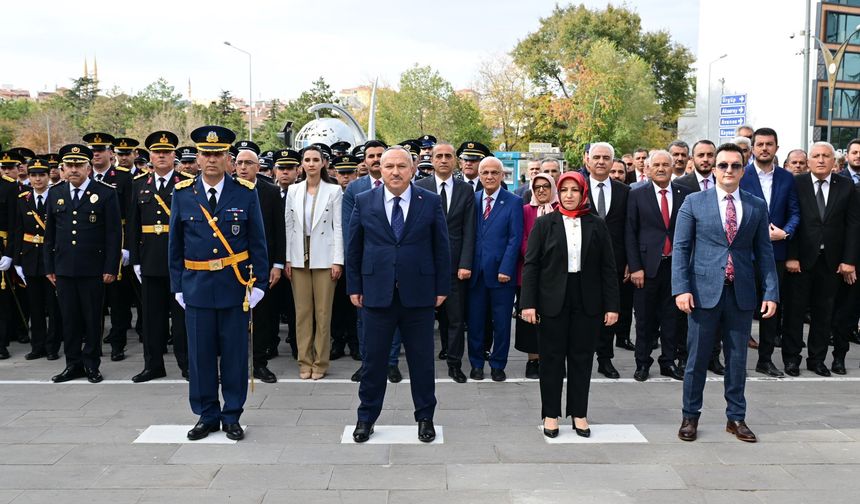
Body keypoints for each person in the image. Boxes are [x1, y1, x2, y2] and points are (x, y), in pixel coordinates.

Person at [168, 125, 268, 441]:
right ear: (197, 157)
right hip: (196, 286)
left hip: (234, 286)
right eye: (206, 154)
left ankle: (232, 414)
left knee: (235, 355)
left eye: (218, 154)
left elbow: (258, 242)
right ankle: (207, 414)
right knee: (200, 356)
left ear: (228, 157)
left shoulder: (244, 192)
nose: (211, 160)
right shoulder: (184, 193)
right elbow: (175, 244)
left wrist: (260, 284)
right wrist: (178, 286)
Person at [673, 142, 778, 443]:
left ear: (743, 170)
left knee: (737, 360)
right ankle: (689, 417)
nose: (728, 170)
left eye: (735, 165)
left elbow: (765, 252)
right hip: (703, 292)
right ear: (713, 169)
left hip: (741, 293)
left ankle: (736, 418)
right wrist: (681, 289)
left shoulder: (756, 205)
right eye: (723, 165)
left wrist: (771, 292)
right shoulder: (694, 202)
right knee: (696, 359)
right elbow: (681, 249)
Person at [346, 146, 450, 443]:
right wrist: (354, 286)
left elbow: (441, 247)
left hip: (419, 295)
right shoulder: (365, 201)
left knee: (421, 361)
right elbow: (354, 247)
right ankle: (366, 418)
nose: (394, 171)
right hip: (376, 294)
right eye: (388, 165)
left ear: (413, 169)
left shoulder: (429, 202)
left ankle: (425, 418)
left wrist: (442, 287)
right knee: (373, 361)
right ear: (379, 169)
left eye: (401, 166)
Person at [521, 171, 619, 438]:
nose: (569, 195)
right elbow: (532, 265)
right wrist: (528, 304)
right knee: (551, 360)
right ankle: (550, 414)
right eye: (564, 190)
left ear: (583, 192)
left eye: (575, 190)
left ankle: (579, 413)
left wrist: (612, 306)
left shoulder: (596, 224)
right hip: (551, 300)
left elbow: (608, 268)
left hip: (587, 300)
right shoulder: (544, 224)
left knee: (582, 359)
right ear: (558, 193)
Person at [45, 144, 122, 383]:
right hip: (64, 268)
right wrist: (49, 267)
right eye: (69, 166)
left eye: (79, 165)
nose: (74, 170)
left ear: (88, 168)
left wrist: (111, 267)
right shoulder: (56, 193)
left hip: (93, 268)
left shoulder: (106, 192)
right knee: (69, 319)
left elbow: (113, 234)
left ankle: (91, 364)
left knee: (91, 319)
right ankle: (72, 364)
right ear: (63, 168)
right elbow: (50, 235)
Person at [783, 141, 860, 377]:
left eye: (826, 156)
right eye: (815, 155)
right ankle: (792, 359)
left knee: (823, 313)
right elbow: (791, 218)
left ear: (834, 161)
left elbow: (853, 225)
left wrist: (849, 260)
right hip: (800, 261)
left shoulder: (846, 186)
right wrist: (792, 256)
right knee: (794, 313)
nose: (820, 160)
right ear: (808, 161)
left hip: (831, 261)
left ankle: (817, 359)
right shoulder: (796, 183)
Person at [127, 131, 194, 383]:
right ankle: (152, 365)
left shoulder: (186, 182)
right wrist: (134, 259)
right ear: (150, 157)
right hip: (150, 259)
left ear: (174, 156)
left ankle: (186, 364)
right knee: (151, 317)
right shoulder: (138, 184)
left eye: (166, 152)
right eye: (157, 153)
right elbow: (132, 225)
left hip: (179, 260)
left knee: (181, 317)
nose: (161, 156)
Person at [739, 128, 800, 377]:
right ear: (753, 148)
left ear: (777, 147)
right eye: (760, 144)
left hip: (775, 253)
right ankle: (734, 360)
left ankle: (765, 359)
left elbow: (795, 212)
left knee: (770, 308)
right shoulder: (741, 174)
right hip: (744, 253)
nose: (764, 148)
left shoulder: (787, 178)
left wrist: (784, 233)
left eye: (769, 144)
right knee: (740, 307)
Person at [626, 150, 690, 381]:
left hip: (675, 266)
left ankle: (668, 362)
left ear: (673, 168)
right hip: (646, 267)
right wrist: (635, 267)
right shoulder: (636, 194)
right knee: (644, 319)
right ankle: (642, 363)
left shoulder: (685, 194)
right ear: (647, 169)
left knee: (672, 318)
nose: (661, 168)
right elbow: (630, 233)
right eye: (657, 165)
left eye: (666, 164)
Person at [415, 142, 476, 383]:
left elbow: (470, 229)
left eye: (447, 156)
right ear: (431, 158)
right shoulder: (419, 186)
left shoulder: (465, 190)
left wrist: (466, 263)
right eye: (438, 156)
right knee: (420, 318)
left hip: (454, 266)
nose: (442, 160)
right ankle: (421, 363)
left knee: (455, 318)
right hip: (424, 266)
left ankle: (454, 363)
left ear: (456, 161)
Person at [284, 145, 343, 380]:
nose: (311, 164)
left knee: (323, 312)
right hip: (299, 256)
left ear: (323, 164)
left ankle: (320, 362)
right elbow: (288, 226)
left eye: (315, 160)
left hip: (325, 257)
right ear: (302, 164)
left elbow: (338, 226)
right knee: (302, 313)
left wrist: (338, 260)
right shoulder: (293, 191)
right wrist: (287, 258)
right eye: (307, 159)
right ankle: (304, 360)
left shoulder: (334, 190)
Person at [468, 156, 523, 382]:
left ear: (502, 175)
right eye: (485, 173)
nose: (489, 177)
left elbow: (515, 238)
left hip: (502, 275)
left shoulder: (513, 201)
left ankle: (498, 364)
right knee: (475, 322)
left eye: (494, 172)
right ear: (479, 176)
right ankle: (477, 364)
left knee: (501, 323)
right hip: (475, 274)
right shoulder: (472, 199)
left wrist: (506, 268)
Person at [235, 148, 286, 384]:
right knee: (233, 318)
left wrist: (277, 264)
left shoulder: (271, 192)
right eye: (239, 163)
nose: (243, 167)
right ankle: (233, 365)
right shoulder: (228, 189)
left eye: (249, 163)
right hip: (233, 265)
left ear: (259, 167)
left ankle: (260, 363)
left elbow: (278, 231)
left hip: (262, 264)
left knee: (264, 316)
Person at [82, 132, 133, 362]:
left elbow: (133, 215)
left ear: (110, 153)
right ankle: (94, 340)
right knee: (94, 299)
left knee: (117, 298)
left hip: (117, 241)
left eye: (100, 150)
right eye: (92, 150)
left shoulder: (122, 177)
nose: (96, 153)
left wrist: (127, 246)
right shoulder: (86, 177)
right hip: (92, 245)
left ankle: (117, 342)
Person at [586, 142, 633, 379]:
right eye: (597, 157)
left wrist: (630, 262)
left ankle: (605, 359)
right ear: (588, 160)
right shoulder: (577, 188)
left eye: (606, 157)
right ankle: (579, 358)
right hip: (581, 263)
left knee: (610, 312)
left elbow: (630, 229)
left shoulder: (625, 192)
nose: (601, 161)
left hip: (614, 263)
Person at [11, 158, 62, 361]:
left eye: (41, 175)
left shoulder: (57, 197)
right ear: (29, 177)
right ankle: (37, 345)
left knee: (53, 306)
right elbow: (18, 230)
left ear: (48, 176)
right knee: (35, 306)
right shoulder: (22, 199)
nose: (37, 179)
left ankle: (52, 346)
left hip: (52, 257)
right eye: (33, 175)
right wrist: (16, 260)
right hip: (30, 257)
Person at [515, 173, 557, 379]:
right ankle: (533, 360)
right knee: (530, 320)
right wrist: (535, 257)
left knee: (553, 319)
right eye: (537, 186)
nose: (541, 190)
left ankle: (553, 360)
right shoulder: (524, 211)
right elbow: (520, 238)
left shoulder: (561, 210)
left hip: (556, 275)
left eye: (546, 186)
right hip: (529, 273)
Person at [272, 149, 300, 359]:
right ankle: (270, 344)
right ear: (274, 170)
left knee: (295, 307)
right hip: (274, 259)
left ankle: (297, 344)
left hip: (297, 258)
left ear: (298, 171)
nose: (285, 173)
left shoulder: (304, 193)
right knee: (271, 306)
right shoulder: (268, 193)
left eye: (290, 168)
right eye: (281, 168)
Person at [0, 151, 23, 359]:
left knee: (2, 298)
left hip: (1, 244)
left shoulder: (8, 186)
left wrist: (9, 254)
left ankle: (1, 342)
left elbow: (16, 225)